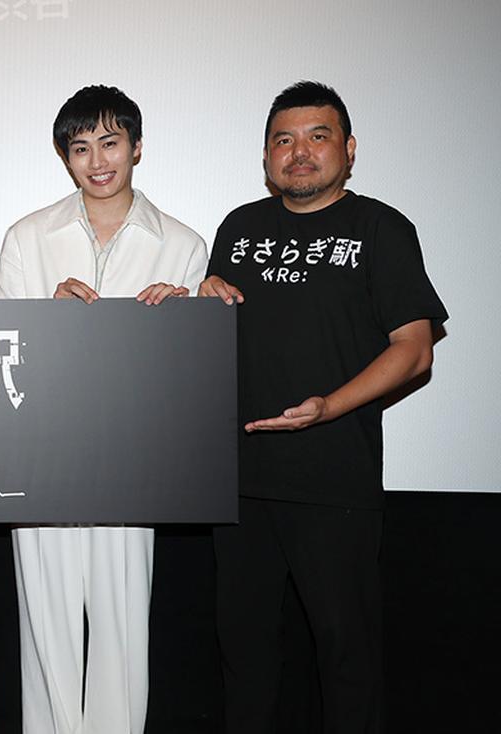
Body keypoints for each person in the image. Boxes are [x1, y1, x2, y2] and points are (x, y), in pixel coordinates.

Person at [200, 81, 446, 734]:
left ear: (349, 148)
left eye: (318, 136)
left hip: (334, 481)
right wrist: (199, 298)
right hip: (239, 484)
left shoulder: (381, 228)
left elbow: (414, 350)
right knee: (244, 657)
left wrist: (328, 406)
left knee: (347, 658)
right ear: (266, 156)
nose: (299, 151)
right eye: (283, 140)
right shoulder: (240, 228)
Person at [0, 86, 208, 734]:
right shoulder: (28, 237)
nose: (97, 161)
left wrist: (178, 324)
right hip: (44, 458)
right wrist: (47, 321)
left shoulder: (182, 244)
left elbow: (189, 379)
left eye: (110, 143)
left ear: (137, 147)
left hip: (133, 463)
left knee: (122, 625)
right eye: (81, 147)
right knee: (45, 626)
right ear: (66, 157)